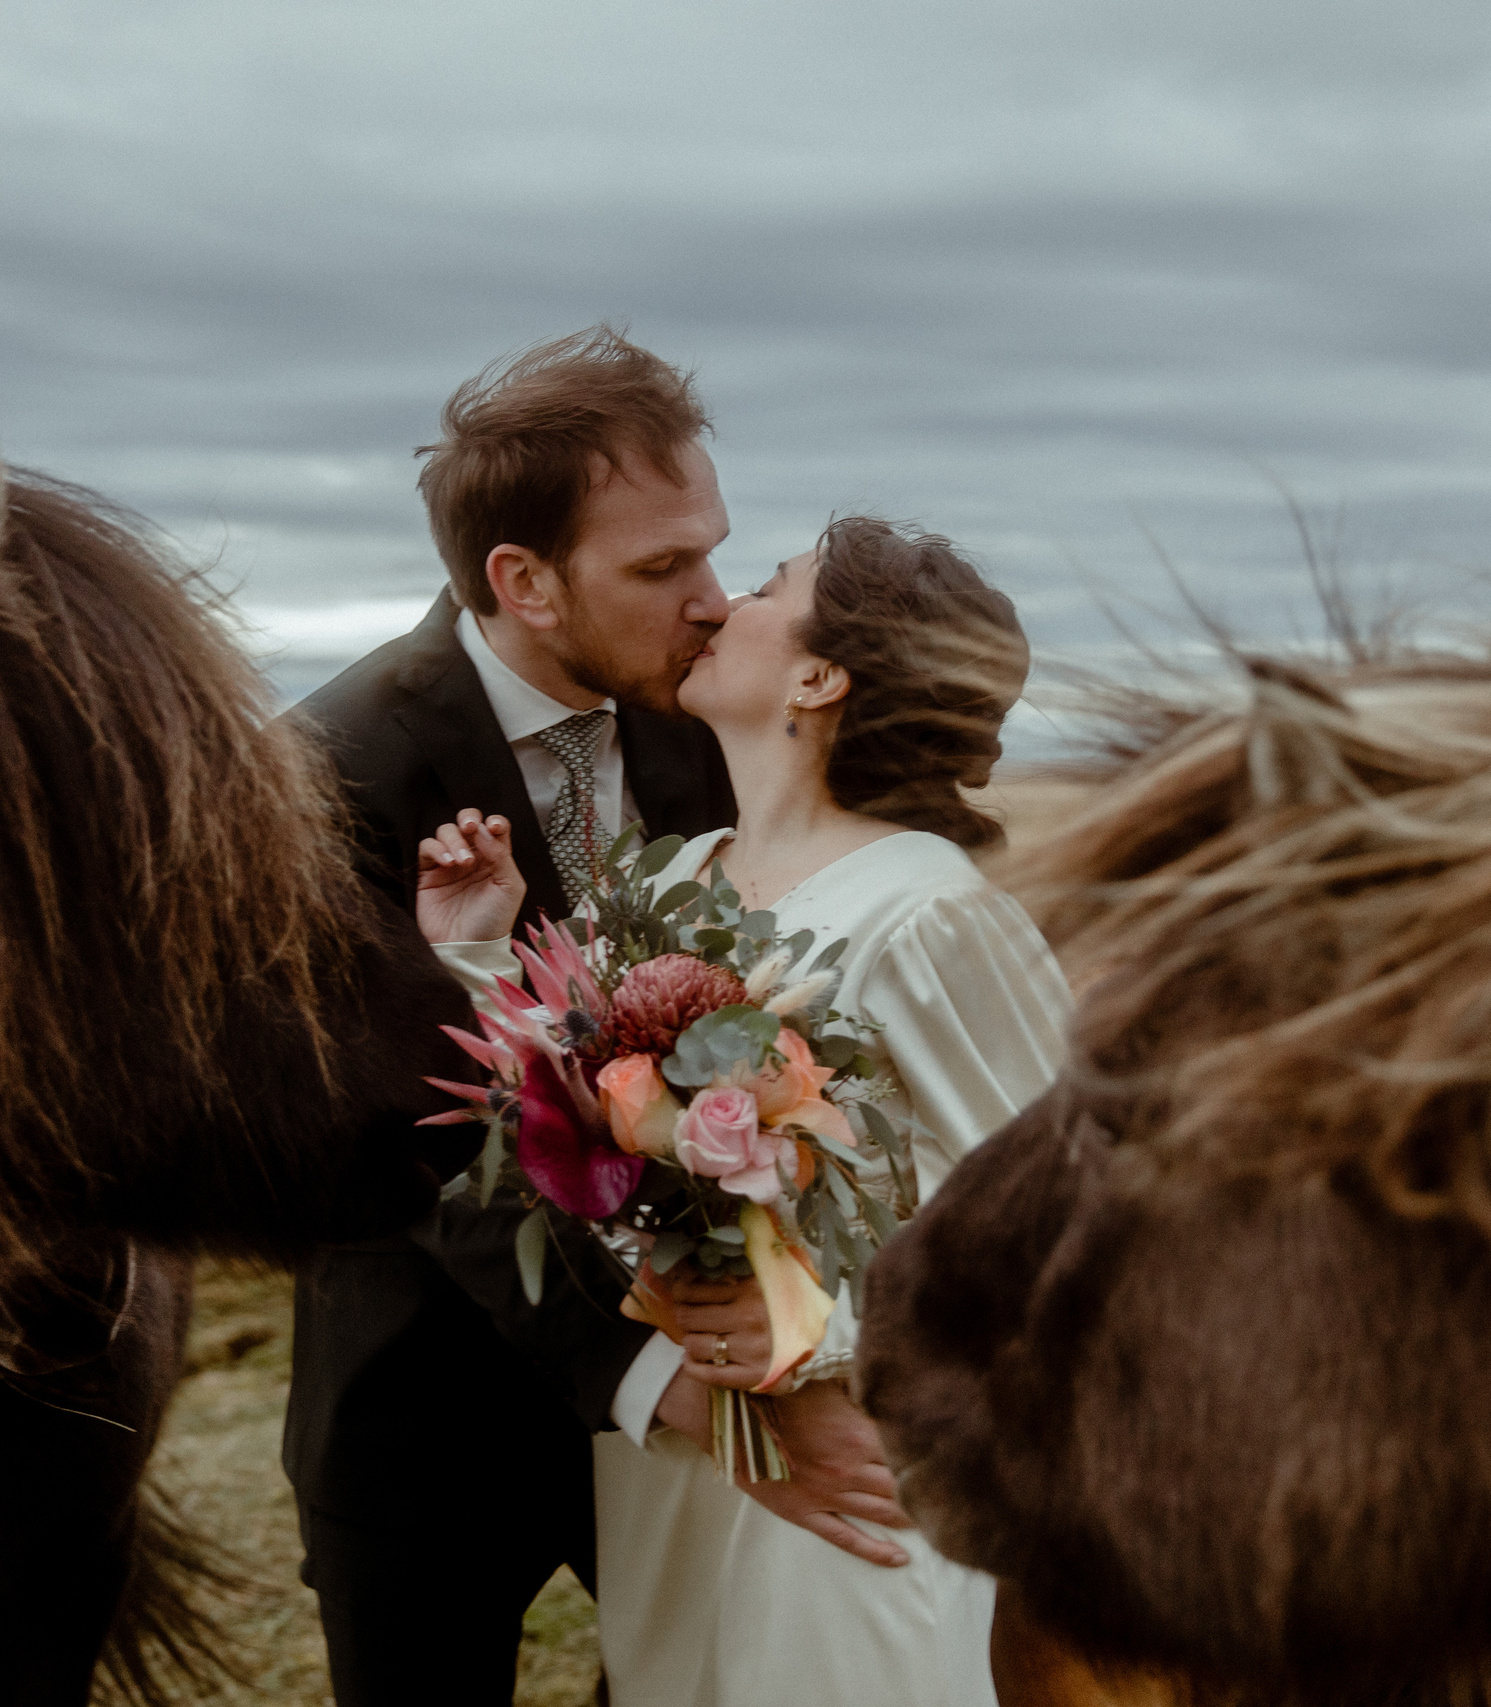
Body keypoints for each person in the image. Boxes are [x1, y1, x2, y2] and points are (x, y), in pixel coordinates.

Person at [289, 329, 905, 1707]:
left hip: (702, 1396)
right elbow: (396, 1129)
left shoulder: (708, 722)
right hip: (423, 1418)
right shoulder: (333, 769)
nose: (714, 599)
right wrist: (642, 1372)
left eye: (716, 550)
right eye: (660, 566)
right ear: (523, 579)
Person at [417, 516, 1074, 1705]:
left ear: (821, 677)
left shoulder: (930, 913)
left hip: (867, 1477)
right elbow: (566, 1151)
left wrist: (824, 1343)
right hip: (683, 1467)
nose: (720, 605)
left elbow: (1056, 1240)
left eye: (770, 586)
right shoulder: (665, 882)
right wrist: (476, 962)